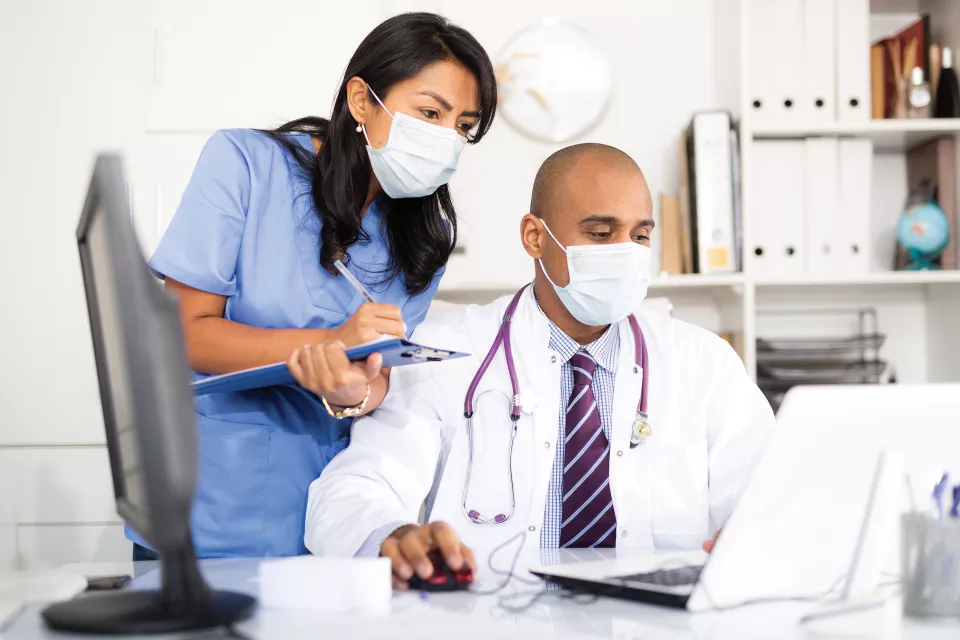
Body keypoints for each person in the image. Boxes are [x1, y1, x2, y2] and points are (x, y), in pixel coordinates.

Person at [304, 143, 776, 587]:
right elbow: (356, 486)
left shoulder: (703, 363)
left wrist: (754, 543)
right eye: (599, 233)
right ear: (535, 237)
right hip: (489, 620)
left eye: (640, 235)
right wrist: (391, 535)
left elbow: (771, 494)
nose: (625, 252)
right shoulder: (447, 350)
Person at [141, 12, 497, 559]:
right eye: (430, 112)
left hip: (330, 517)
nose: (446, 139)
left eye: (462, 126)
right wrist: (326, 347)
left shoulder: (425, 238)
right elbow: (184, 333)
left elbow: (384, 381)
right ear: (361, 101)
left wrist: (353, 394)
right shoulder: (245, 165)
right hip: (210, 507)